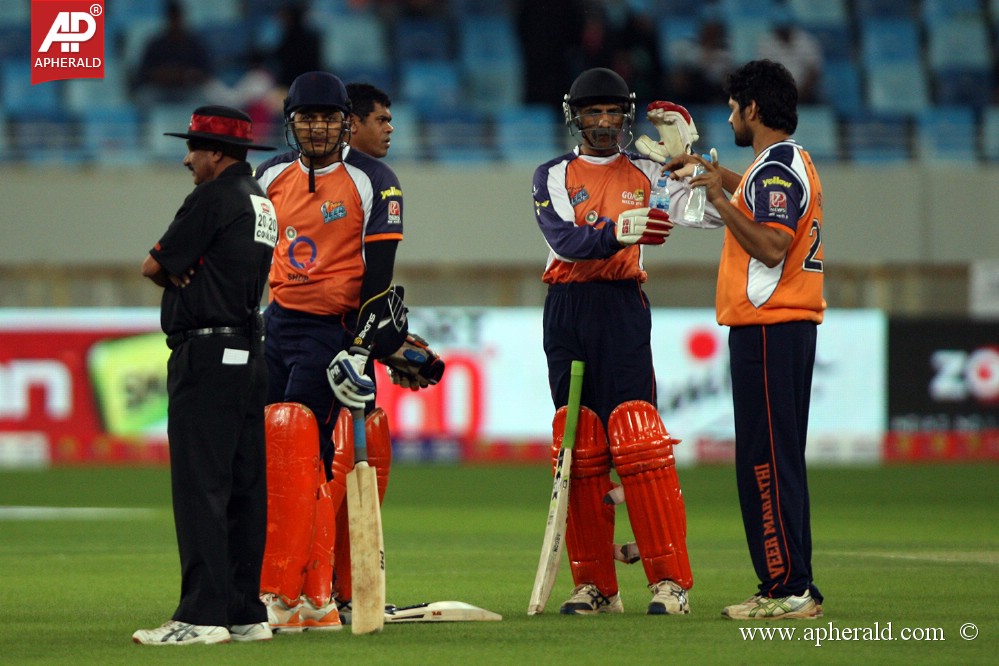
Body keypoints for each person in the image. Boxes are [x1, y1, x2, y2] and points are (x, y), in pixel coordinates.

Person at [254, 71, 442, 630]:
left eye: (328, 118)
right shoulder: (268, 175)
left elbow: (379, 281)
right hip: (277, 323)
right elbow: (251, 261)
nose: (317, 128)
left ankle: (307, 596)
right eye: (306, 118)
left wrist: (362, 348)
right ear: (292, 122)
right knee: (268, 453)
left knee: (304, 454)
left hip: (332, 331)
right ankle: (287, 589)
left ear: (344, 123)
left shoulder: (374, 180)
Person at [531, 67, 696, 616]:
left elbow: (709, 217)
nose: (602, 123)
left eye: (611, 112)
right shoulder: (552, 173)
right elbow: (566, 240)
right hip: (567, 309)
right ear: (573, 117)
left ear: (626, 116)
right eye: (591, 113)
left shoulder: (650, 168)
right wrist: (618, 231)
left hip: (621, 307)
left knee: (639, 441)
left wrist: (692, 167)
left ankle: (670, 582)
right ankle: (597, 585)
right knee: (578, 446)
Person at [664, 59, 826, 620]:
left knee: (765, 461)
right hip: (782, 329)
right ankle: (793, 583)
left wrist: (719, 200)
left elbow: (772, 245)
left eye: (734, 108)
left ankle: (786, 589)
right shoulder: (781, 162)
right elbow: (760, 200)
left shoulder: (776, 169)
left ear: (753, 109)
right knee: (779, 458)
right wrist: (717, 181)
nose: (730, 117)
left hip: (769, 328)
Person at [133, 106, 278, 645]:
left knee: (201, 487)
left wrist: (175, 270)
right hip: (249, 353)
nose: (186, 158)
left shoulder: (213, 197)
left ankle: (201, 615)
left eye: (194, 148)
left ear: (216, 152)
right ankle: (244, 611)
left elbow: (152, 265)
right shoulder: (261, 200)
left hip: (206, 356)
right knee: (244, 488)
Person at [130, 0, 216, 107]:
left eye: (177, 18)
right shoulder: (156, 44)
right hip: (161, 91)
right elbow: (143, 73)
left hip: (189, 91)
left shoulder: (195, 43)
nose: (175, 22)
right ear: (167, 19)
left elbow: (207, 72)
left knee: (208, 97)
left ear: (182, 18)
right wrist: (164, 75)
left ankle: (199, 123)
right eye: (172, 18)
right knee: (144, 97)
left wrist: (188, 75)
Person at [755, 13, 823, 104]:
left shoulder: (807, 41)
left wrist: (799, 93)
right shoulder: (766, 43)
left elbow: (814, 72)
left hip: (806, 93)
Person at [346, 82, 394, 158]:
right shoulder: (323, 168)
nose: (390, 129)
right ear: (352, 123)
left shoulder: (380, 169)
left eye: (388, 121)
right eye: (381, 120)